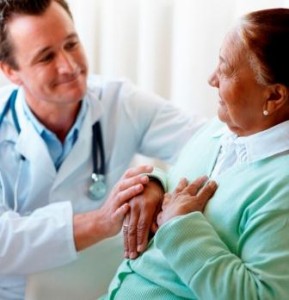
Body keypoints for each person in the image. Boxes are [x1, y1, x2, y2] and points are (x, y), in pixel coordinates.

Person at [0, 0, 209, 299]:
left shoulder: (119, 102)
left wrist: (156, 183)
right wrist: (101, 221)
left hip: (104, 286)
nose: (69, 66)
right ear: (11, 71)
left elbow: (208, 142)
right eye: (46, 57)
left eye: (71, 44)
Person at [101, 8, 289, 300]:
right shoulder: (221, 130)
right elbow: (186, 188)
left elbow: (261, 295)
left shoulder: (282, 186)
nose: (212, 79)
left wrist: (181, 227)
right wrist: (155, 185)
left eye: (226, 69)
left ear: (275, 96)